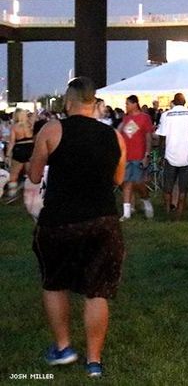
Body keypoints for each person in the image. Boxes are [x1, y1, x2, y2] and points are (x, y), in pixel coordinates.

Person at [28, 77, 127, 378]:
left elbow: (34, 176)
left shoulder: (52, 130)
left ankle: (64, 347)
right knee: (97, 291)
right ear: (93, 102)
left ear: (68, 101)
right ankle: (94, 361)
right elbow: (118, 179)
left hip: (60, 221)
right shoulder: (114, 136)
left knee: (55, 283)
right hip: (103, 221)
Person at [156, 92, 188, 219]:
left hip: (170, 154)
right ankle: (179, 214)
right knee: (183, 188)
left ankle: (167, 212)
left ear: (173, 102)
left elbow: (162, 137)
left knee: (168, 187)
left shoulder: (165, 115)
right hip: (186, 155)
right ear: (184, 102)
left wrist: (160, 154)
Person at [118, 95, 155, 220]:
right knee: (127, 183)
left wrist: (147, 154)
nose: (126, 106)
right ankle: (126, 213)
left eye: (127, 104)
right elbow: (124, 134)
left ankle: (146, 200)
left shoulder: (144, 118)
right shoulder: (126, 118)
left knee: (139, 182)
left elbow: (148, 137)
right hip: (127, 155)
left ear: (134, 104)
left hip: (139, 155)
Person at [4, 108, 34, 203]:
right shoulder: (29, 124)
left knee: (14, 174)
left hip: (19, 149)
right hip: (30, 149)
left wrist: (7, 155)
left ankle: (12, 194)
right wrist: (34, 104)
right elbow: (35, 116)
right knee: (30, 173)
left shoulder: (14, 127)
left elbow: (12, 142)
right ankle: (32, 194)